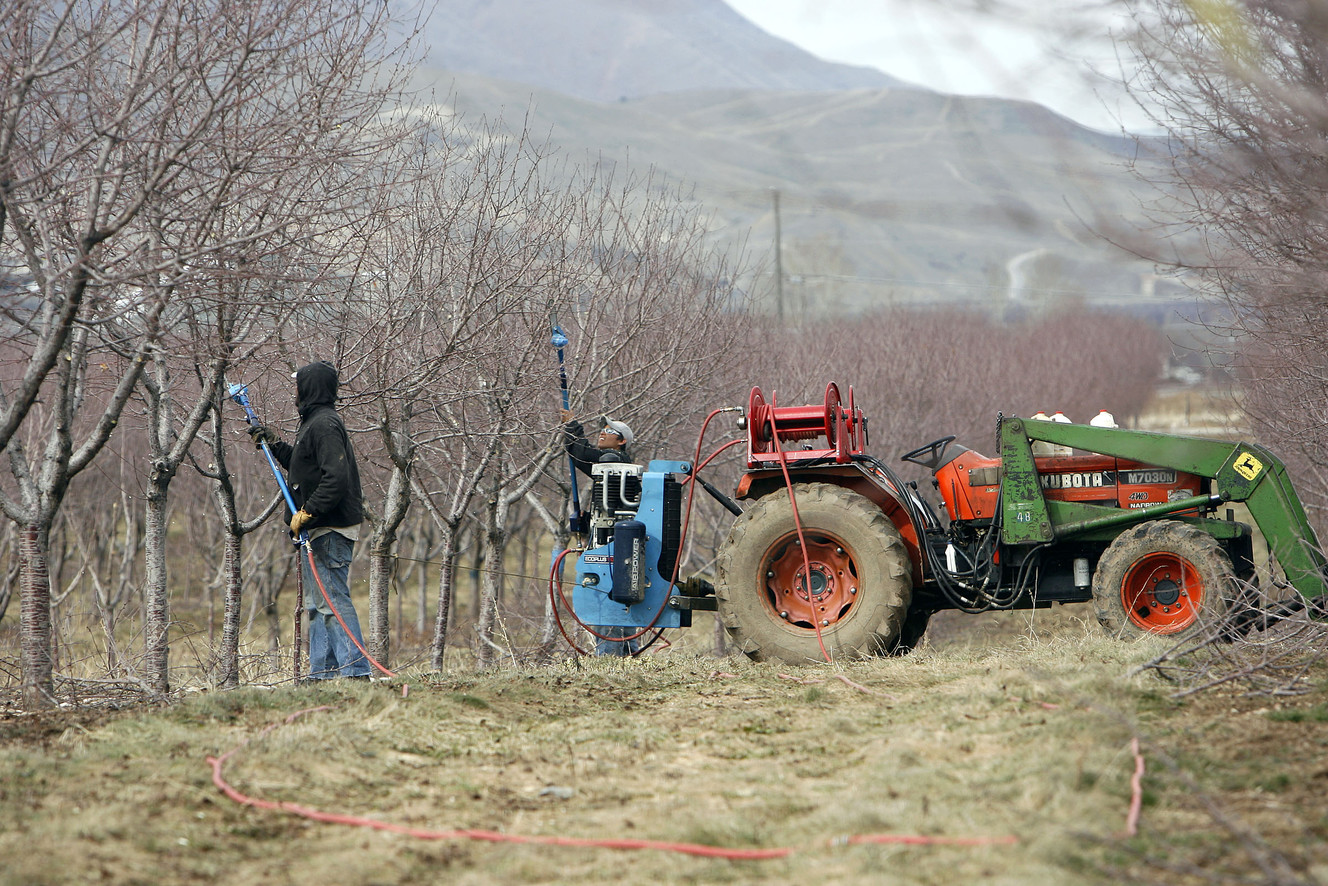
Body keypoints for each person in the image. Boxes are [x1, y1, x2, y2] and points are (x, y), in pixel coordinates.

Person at [249, 361, 371, 681]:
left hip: (329, 527)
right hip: (314, 530)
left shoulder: (326, 424)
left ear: (309, 388)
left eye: (298, 386)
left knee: (332, 601)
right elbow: (302, 467)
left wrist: (308, 511)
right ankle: (323, 674)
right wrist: (273, 443)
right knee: (318, 606)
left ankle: (356, 673)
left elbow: (336, 477)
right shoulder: (313, 424)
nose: (295, 392)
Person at [560, 408, 640, 656]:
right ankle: (627, 651)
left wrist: (572, 426)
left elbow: (579, 452)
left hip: (610, 541)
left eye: (609, 431)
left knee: (607, 591)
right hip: (608, 537)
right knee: (619, 592)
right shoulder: (611, 464)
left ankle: (609, 655)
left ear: (622, 441)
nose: (603, 434)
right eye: (602, 430)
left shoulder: (613, 462)